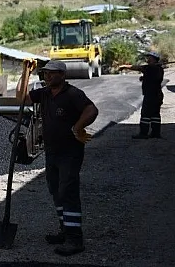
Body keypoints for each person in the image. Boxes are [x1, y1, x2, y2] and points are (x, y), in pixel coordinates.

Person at [18, 60, 99, 256]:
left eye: (52, 74)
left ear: (62, 75)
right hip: (52, 151)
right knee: (56, 190)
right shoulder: (45, 93)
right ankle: (65, 230)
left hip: (70, 152)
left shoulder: (72, 94)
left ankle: (74, 239)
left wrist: (77, 127)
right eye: (45, 73)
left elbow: (92, 110)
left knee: (68, 191)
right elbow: (21, 98)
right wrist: (25, 72)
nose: (48, 76)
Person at [119, 51, 164, 139]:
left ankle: (143, 134)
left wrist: (125, 66)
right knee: (155, 115)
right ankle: (156, 133)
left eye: (149, 57)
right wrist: (144, 77)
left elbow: (137, 67)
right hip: (157, 95)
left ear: (154, 59)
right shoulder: (158, 68)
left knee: (145, 114)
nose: (148, 59)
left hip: (151, 95)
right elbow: (154, 78)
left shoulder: (150, 68)